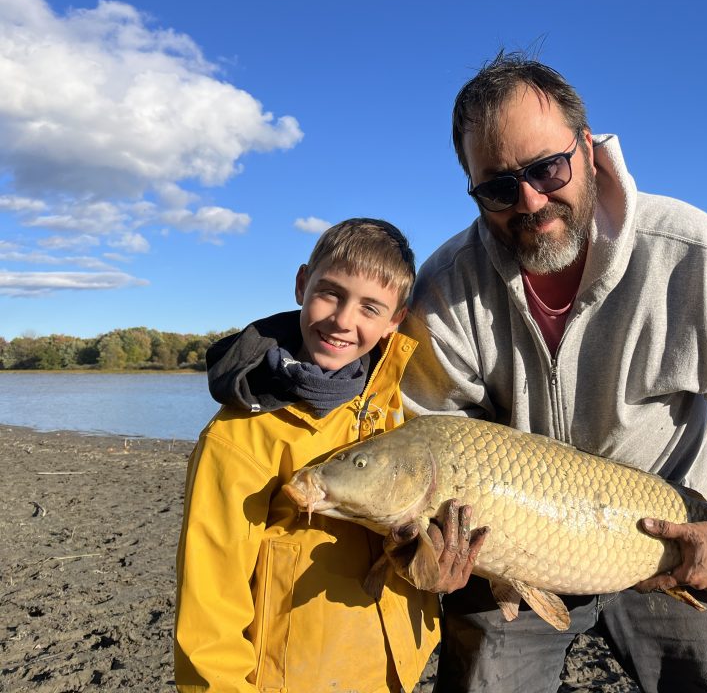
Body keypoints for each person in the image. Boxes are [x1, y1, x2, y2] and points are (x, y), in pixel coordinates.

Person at [399, 53, 707, 692]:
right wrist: (432, 548)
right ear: (472, 187)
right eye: (496, 186)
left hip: (667, 539)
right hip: (515, 546)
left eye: (547, 168)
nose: (529, 200)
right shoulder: (446, 287)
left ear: (589, 147)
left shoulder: (689, 252)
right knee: (480, 676)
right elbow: (432, 430)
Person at [174, 218, 484, 693]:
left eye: (370, 307)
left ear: (393, 322)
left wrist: (429, 565)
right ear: (302, 284)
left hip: (394, 671)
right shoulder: (236, 437)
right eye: (331, 293)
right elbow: (208, 604)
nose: (343, 320)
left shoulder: (400, 412)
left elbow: (410, 545)